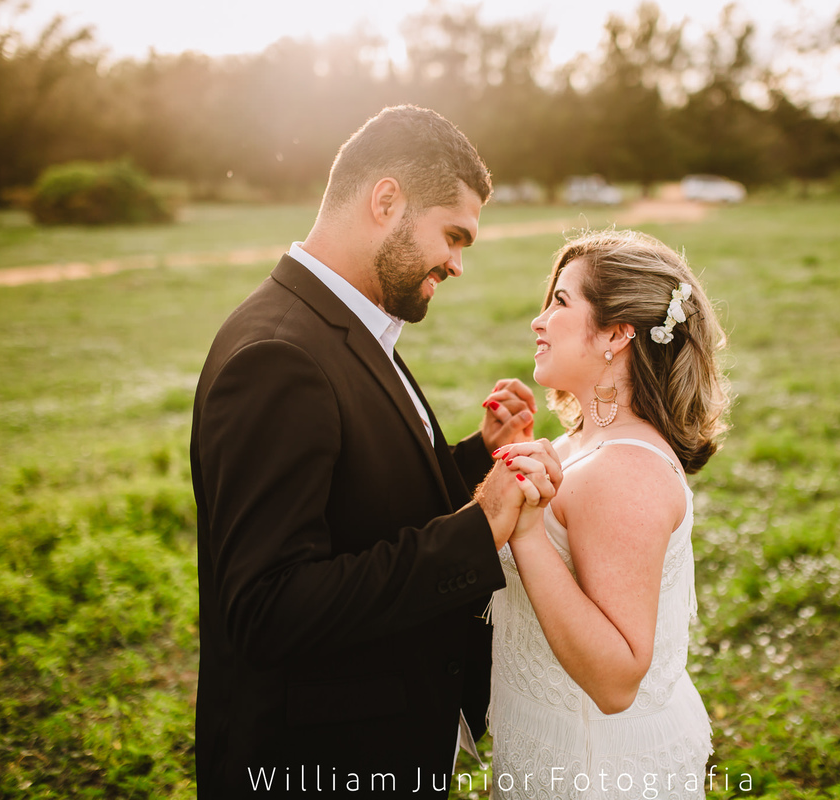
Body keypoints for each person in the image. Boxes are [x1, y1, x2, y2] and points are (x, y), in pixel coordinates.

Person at [189, 105, 560, 798]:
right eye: (453, 236)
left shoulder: (344, 325)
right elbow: (271, 607)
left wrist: (480, 458)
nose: (456, 264)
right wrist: (479, 529)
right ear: (386, 200)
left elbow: (356, 506)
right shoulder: (279, 354)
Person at [490, 229, 731, 799]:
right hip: (557, 752)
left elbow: (617, 678)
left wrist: (526, 532)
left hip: (597, 773)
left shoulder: (624, 471)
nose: (539, 320)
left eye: (561, 301)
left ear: (617, 334)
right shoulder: (582, 447)